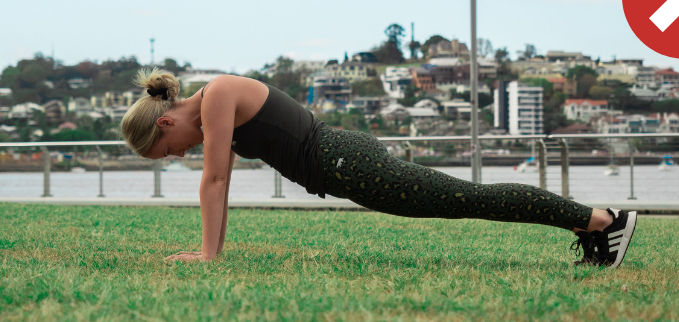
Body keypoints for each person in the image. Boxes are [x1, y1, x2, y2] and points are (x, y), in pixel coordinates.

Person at [121, 68, 637, 267]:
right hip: (348, 163)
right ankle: (592, 226)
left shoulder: (217, 95)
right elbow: (221, 183)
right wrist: (212, 251)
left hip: (348, 163)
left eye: (168, 151)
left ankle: (601, 221)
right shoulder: (217, 103)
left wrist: (207, 256)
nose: (179, 156)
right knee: (465, 200)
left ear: (165, 122)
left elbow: (215, 180)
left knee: (469, 199)